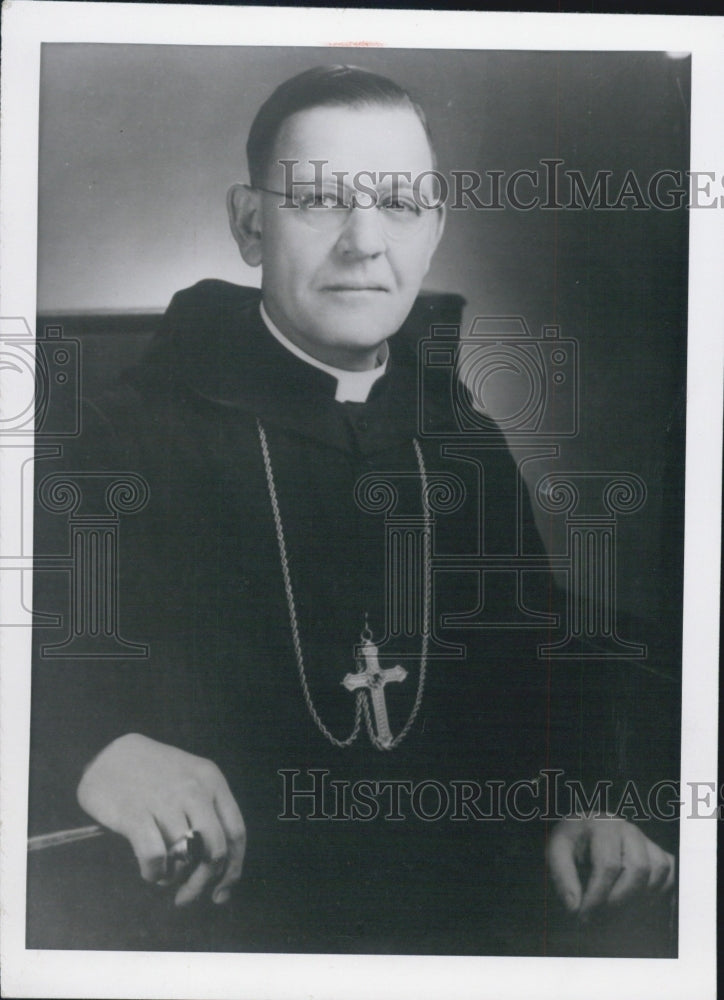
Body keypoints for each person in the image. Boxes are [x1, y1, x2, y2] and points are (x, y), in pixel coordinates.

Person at [27, 65, 676, 955]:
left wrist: (591, 801)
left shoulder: (462, 442)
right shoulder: (112, 437)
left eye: (402, 205)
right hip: (224, 934)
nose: (365, 243)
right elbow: (31, 662)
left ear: (436, 227)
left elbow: (546, 664)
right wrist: (92, 749)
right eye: (319, 199)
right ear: (251, 225)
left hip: (467, 918)